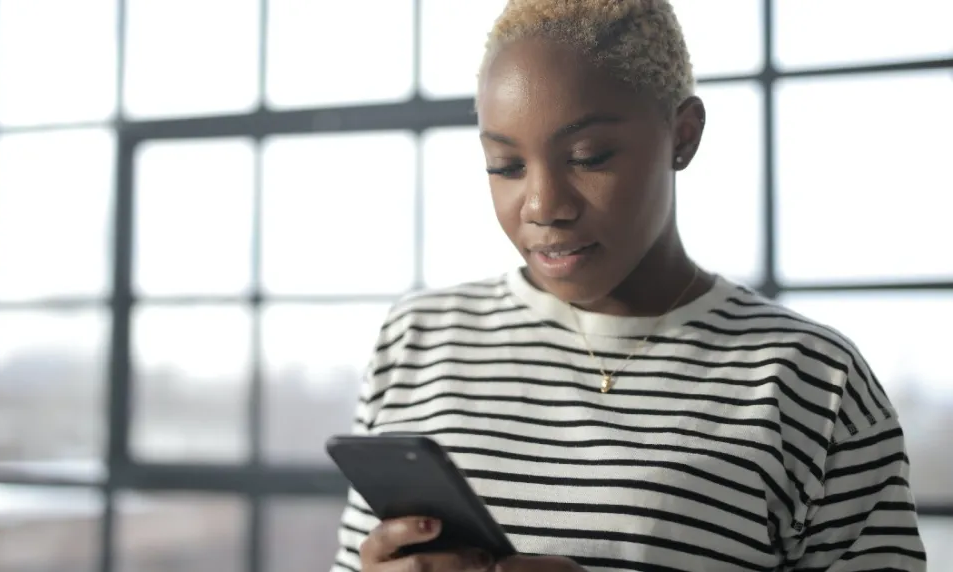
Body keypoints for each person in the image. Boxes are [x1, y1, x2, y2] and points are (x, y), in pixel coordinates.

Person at [328, 0, 928, 570]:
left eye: (588, 156)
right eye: (505, 166)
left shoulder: (812, 383)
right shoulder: (419, 339)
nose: (542, 206)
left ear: (683, 135)